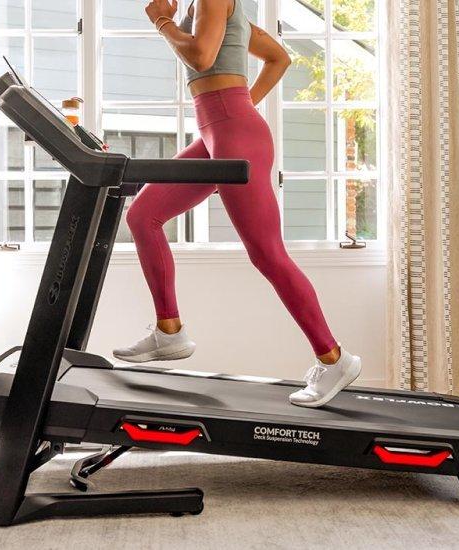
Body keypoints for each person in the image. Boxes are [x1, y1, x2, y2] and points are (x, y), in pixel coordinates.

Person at [113, 0, 361, 408]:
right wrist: (242, 104)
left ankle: (334, 358)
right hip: (219, 132)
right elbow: (279, 58)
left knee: (267, 254)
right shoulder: (213, 9)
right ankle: (169, 331)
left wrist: (161, 22)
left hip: (233, 133)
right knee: (143, 215)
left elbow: (201, 56)